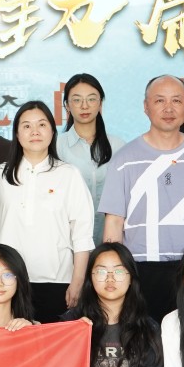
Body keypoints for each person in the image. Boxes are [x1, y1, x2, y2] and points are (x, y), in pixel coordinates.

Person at [100, 75, 184, 322]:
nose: (168, 109)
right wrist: (114, 274)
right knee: (140, 341)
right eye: (160, 100)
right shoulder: (124, 159)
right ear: (146, 106)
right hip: (138, 269)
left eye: (176, 101)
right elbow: (114, 222)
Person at [0, 100, 93, 323]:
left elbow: (81, 234)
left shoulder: (69, 174)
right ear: (17, 134)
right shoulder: (1, 174)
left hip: (57, 281)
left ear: (52, 131)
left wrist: (77, 282)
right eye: (27, 126)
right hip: (7, 282)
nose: (35, 132)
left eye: (42, 125)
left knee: (51, 343)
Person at [56, 73, 123, 244]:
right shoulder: (55, 146)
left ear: (100, 103)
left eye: (91, 99)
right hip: (67, 242)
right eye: (77, 100)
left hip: (109, 242)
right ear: (67, 105)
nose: (84, 106)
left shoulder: (118, 146)